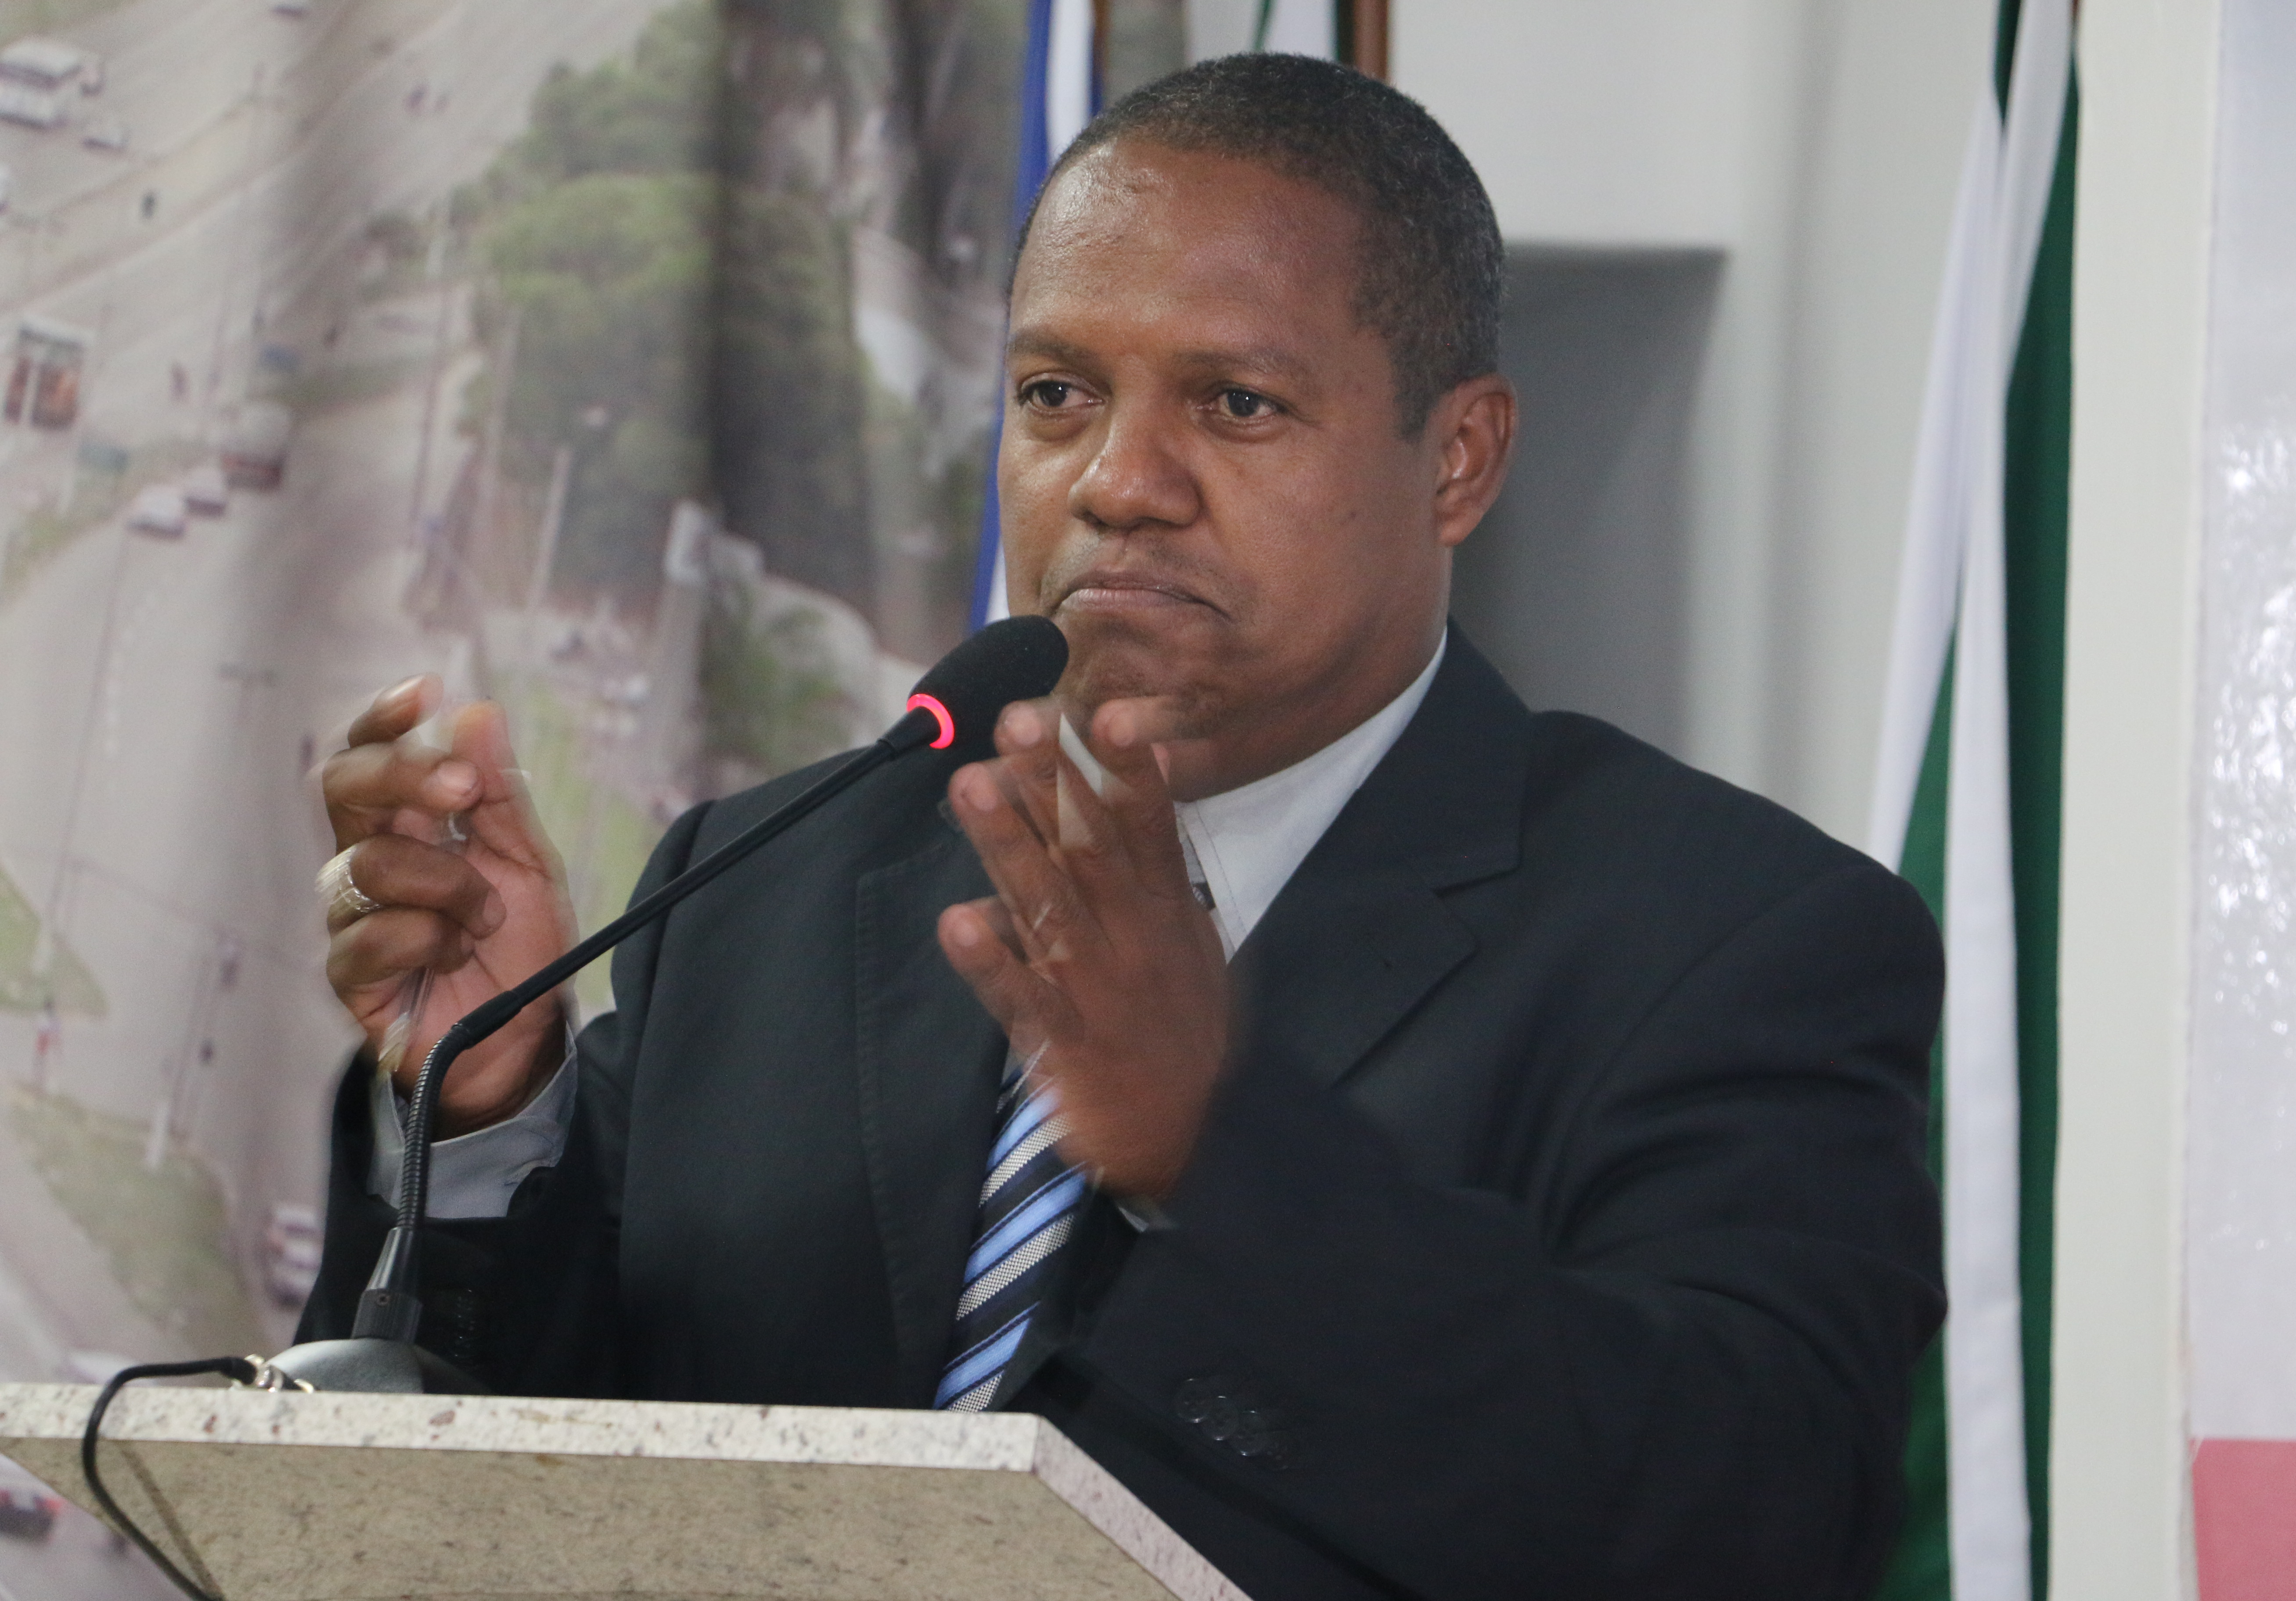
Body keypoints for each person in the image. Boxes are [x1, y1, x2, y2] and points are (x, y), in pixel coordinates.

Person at [302, 55, 1942, 1600]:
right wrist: (485, 1107)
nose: (1116, 480)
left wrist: (1223, 1153)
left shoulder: (1734, 939)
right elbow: (528, 1476)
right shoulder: (769, 884)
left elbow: (1756, 1516)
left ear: (1458, 459)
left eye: (1235, 404)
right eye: (1057, 392)